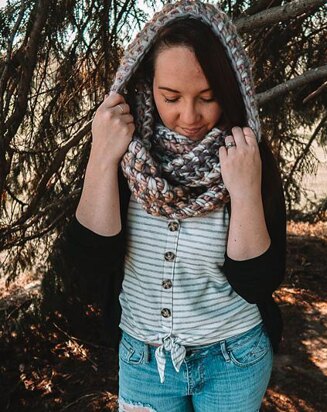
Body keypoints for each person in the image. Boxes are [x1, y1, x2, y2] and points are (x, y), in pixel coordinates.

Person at [64, 1, 286, 411]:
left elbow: (258, 282)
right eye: (171, 97)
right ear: (148, 85)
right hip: (144, 362)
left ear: (231, 88)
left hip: (233, 360)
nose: (189, 115)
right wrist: (100, 155)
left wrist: (244, 190)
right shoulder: (121, 150)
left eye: (208, 96)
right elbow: (89, 265)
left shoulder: (246, 155)